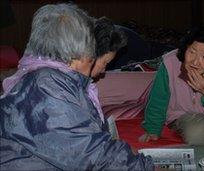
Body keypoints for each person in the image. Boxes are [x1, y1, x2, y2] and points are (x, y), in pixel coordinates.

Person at [0, 3, 154, 170]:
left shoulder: (47, 77)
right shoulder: (46, 86)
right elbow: (90, 154)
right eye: (91, 52)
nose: (93, 59)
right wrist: (144, 166)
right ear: (77, 55)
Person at [139, 25, 204, 145]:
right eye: (192, 52)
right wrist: (152, 130)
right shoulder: (170, 63)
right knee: (198, 133)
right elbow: (158, 100)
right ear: (185, 48)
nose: (195, 61)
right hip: (183, 117)